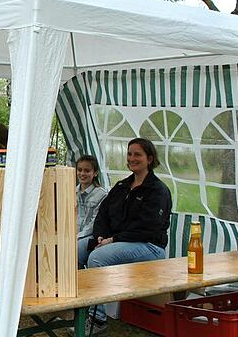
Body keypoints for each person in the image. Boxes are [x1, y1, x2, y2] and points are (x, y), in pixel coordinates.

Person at [74, 138, 172, 335]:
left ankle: (98, 319)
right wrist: (101, 237)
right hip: (116, 241)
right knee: (74, 251)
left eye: (137, 154)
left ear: (150, 159)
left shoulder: (157, 190)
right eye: (129, 154)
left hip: (149, 245)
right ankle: (81, 313)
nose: (132, 158)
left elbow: (147, 227)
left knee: (97, 258)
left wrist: (113, 240)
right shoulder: (121, 186)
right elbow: (103, 214)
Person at [75, 155, 108, 266]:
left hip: (93, 236)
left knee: (75, 251)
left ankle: (80, 280)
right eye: (79, 170)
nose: (82, 174)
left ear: (95, 173)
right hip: (75, 234)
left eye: (87, 170)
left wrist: (78, 236)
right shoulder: (71, 190)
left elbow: (95, 223)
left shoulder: (102, 194)